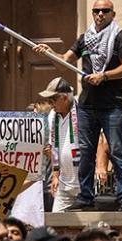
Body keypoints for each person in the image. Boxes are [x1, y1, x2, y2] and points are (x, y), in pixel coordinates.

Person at [35, 0, 122, 210]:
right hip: (87, 105)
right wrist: (49, 53)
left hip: (111, 105)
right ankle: (85, 197)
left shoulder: (119, 37)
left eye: (105, 11)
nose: (100, 14)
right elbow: (64, 62)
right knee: (86, 153)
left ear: (112, 14)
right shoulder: (85, 38)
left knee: (117, 151)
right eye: (96, 11)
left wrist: (105, 76)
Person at [40, 77, 81, 211]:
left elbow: (99, 140)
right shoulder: (53, 115)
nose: (51, 104)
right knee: (56, 220)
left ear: (64, 98)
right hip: (63, 183)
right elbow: (54, 148)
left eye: (53, 100)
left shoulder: (82, 110)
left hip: (84, 183)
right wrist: (55, 176)